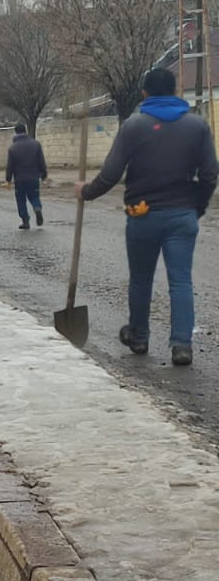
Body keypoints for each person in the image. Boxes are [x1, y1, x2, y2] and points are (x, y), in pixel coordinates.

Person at [78, 66, 217, 367]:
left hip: (142, 216)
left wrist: (86, 192)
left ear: (144, 93)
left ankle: (139, 336)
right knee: (180, 281)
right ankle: (181, 345)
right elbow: (209, 174)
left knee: (141, 279)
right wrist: (198, 206)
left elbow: (111, 174)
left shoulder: (133, 126)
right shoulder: (197, 126)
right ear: (176, 90)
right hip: (183, 215)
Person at [5, 122, 48, 229]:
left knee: (21, 199)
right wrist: (44, 174)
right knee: (34, 196)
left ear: (15, 132)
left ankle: (25, 220)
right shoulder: (36, 144)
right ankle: (37, 208)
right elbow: (41, 161)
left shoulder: (13, 148)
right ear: (25, 131)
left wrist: (8, 179)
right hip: (33, 177)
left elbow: (10, 166)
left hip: (19, 179)